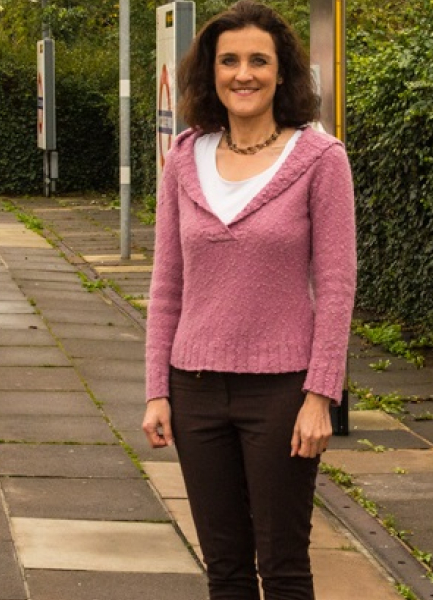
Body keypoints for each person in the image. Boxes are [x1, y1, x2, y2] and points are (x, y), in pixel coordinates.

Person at [140, 2, 356, 599]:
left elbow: (337, 287)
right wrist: (158, 390)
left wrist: (322, 398)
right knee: (225, 568)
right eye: (228, 60)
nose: (243, 74)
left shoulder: (320, 159)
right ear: (210, 73)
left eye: (258, 60)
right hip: (195, 389)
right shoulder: (185, 157)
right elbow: (166, 286)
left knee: (283, 567)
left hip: (283, 392)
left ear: (281, 72)